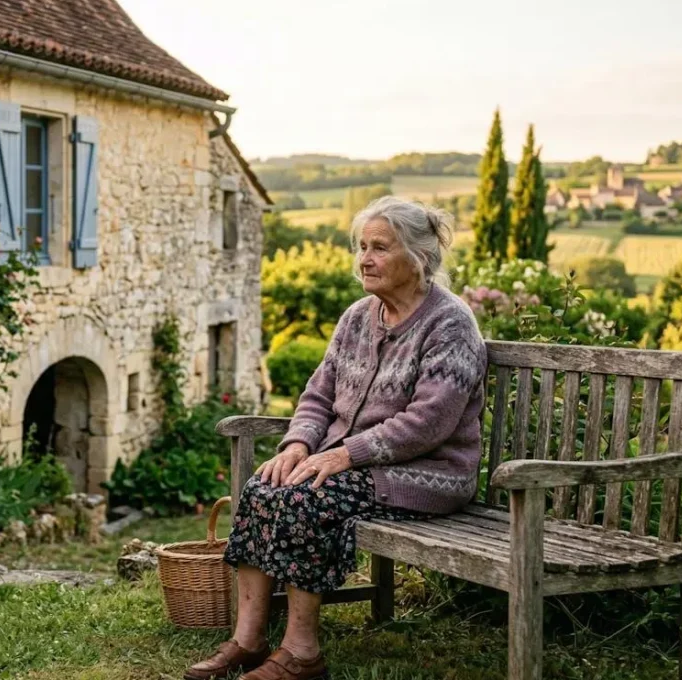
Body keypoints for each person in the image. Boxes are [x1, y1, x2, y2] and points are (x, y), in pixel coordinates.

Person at [185, 196, 488, 680]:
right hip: (355, 464)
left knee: (311, 496)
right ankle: (248, 640)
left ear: (419, 258)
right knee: (263, 487)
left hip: (428, 475)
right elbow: (318, 395)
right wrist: (300, 444)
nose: (365, 259)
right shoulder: (356, 318)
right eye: (362, 247)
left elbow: (429, 422)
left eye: (380, 248)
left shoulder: (450, 324)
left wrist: (347, 454)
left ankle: (302, 654)